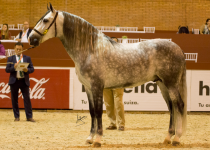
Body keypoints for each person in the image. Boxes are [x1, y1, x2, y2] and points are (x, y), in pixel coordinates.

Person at [5, 42, 35, 122]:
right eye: (17, 49)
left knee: (27, 99)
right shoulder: (10, 58)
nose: (18, 50)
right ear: (14, 49)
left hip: (23, 81)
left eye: (20, 49)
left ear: (22, 49)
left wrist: (27, 70)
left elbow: (32, 69)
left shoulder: (27, 58)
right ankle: (16, 117)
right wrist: (14, 68)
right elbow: (7, 69)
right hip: (14, 81)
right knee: (14, 100)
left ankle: (29, 117)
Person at [103, 37, 125, 131]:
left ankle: (121, 124)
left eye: (114, 42)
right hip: (106, 81)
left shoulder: (121, 54)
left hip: (117, 81)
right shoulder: (103, 54)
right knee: (108, 104)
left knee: (118, 103)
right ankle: (112, 123)